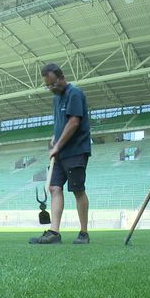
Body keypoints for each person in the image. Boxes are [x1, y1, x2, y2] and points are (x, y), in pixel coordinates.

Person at [29, 63, 91, 244]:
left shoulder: (75, 94)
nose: (50, 89)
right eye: (47, 85)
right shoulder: (56, 99)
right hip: (60, 152)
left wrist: (57, 146)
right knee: (54, 188)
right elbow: (61, 123)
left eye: (53, 84)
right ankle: (54, 232)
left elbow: (73, 122)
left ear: (62, 77)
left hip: (76, 150)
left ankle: (84, 233)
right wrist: (54, 137)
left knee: (78, 190)